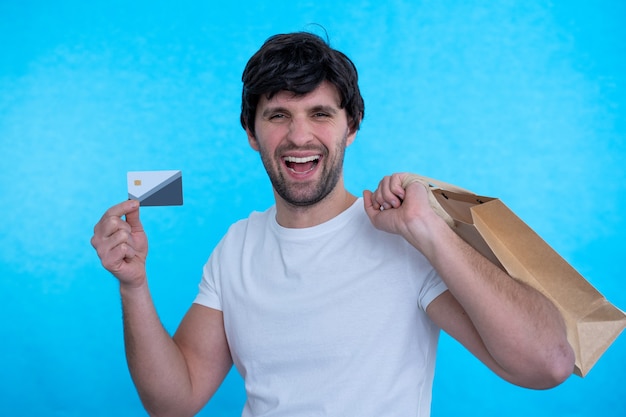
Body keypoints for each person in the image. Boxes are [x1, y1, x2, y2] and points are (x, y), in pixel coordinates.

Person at [91, 32, 575, 417]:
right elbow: (174, 402)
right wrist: (133, 285)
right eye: (278, 115)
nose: (299, 136)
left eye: (320, 113)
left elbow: (548, 363)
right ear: (251, 134)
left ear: (352, 125)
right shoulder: (236, 246)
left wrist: (430, 232)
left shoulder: (406, 241)